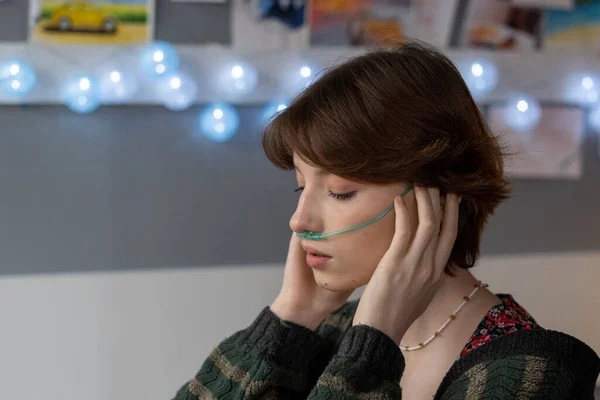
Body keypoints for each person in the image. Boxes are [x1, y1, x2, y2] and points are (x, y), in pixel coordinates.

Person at [172, 41, 600, 399]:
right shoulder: (336, 329)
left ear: (437, 194)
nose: (298, 221)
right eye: (302, 187)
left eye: (340, 191)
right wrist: (292, 317)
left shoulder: (532, 375)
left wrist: (371, 350)